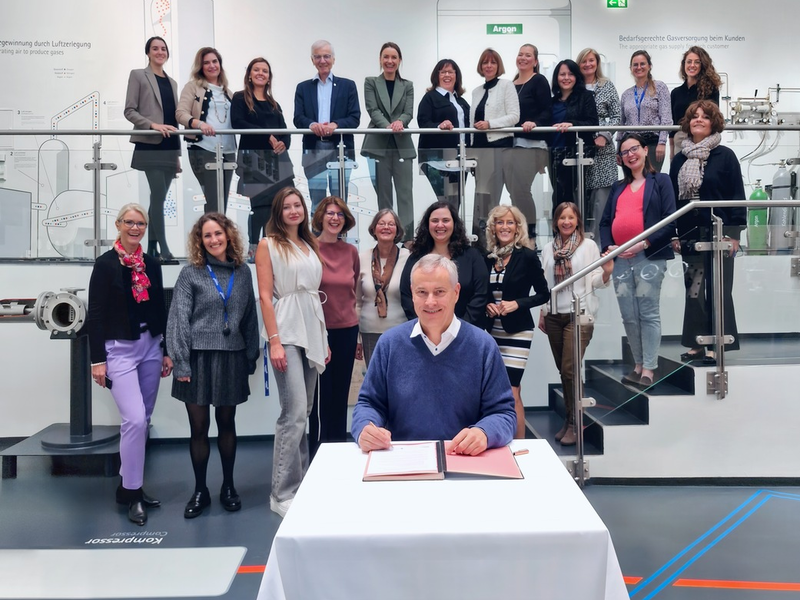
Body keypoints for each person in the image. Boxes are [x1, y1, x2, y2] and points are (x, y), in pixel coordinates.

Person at [352, 254, 516, 455]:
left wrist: (484, 432)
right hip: (404, 459)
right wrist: (365, 428)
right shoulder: (389, 344)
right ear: (412, 294)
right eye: (422, 292)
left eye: (439, 292)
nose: (430, 302)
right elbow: (368, 404)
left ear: (456, 293)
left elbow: (504, 413)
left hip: (465, 459)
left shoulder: (483, 346)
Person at [166, 213, 259, 518]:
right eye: (207, 235)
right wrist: (181, 362)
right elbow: (178, 319)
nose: (214, 240)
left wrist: (250, 355)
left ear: (228, 235)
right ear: (200, 241)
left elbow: (249, 316)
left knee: (227, 424)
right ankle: (200, 491)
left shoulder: (243, 272)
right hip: (197, 358)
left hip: (231, 356)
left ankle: (228, 487)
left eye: (218, 233)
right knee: (199, 428)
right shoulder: (190, 273)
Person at [86, 203, 173, 525]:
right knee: (134, 420)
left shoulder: (152, 264)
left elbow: (159, 307)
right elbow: (95, 314)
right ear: (119, 225)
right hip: (119, 350)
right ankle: (132, 493)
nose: (135, 228)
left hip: (151, 346)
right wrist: (98, 360)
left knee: (143, 420)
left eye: (140, 224)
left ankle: (128, 486)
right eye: (129, 222)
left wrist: (166, 350)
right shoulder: (105, 264)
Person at [255, 187, 329, 518]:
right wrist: (274, 340)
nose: (294, 210)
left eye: (298, 204)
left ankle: (299, 486)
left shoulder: (310, 244)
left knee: (305, 411)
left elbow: (313, 294)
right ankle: (281, 492)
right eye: (287, 206)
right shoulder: (268, 244)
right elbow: (265, 296)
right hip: (285, 330)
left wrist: (323, 339)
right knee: (294, 411)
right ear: (278, 212)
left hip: (311, 329)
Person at [669, 100, 745, 365]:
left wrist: (734, 234)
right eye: (694, 116)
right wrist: (675, 234)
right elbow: (673, 201)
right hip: (690, 234)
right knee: (694, 290)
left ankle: (716, 343)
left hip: (719, 234)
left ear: (714, 123)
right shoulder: (679, 159)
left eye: (705, 116)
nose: (698, 120)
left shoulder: (726, 156)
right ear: (688, 123)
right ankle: (697, 343)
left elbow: (737, 196)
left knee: (718, 290)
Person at [599, 134, 676, 388]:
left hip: (648, 256)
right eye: (624, 152)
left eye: (634, 149)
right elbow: (605, 223)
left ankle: (649, 369)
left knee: (648, 313)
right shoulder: (617, 187)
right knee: (629, 316)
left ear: (645, 150)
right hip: (620, 260)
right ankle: (638, 364)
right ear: (620, 159)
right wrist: (608, 247)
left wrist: (644, 243)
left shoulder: (661, 181)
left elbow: (669, 220)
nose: (630, 155)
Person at [540, 202, 612, 446]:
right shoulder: (548, 249)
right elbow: (546, 285)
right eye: (562, 218)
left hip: (579, 315)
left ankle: (575, 423)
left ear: (578, 221)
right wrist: (543, 311)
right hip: (554, 316)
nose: (566, 222)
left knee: (570, 369)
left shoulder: (588, 246)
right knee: (564, 371)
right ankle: (570, 419)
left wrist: (607, 272)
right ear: (555, 222)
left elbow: (596, 281)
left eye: (571, 217)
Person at [484, 205, 549, 438]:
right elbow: (483, 293)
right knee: (507, 390)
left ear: (517, 227)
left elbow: (543, 294)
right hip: (492, 332)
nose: (504, 227)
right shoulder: (487, 257)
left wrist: (517, 304)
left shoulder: (527, 256)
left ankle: (520, 445)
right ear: (493, 227)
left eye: (509, 222)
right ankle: (510, 441)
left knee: (511, 391)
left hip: (518, 332)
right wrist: (487, 306)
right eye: (500, 222)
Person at [309, 196, 360, 458]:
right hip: (318, 332)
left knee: (340, 396)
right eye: (330, 213)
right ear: (320, 217)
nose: (335, 218)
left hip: (347, 330)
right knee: (320, 399)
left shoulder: (351, 252)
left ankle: (338, 455)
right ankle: (317, 455)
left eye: (340, 214)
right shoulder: (309, 249)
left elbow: (354, 291)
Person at [232, 57, 294, 259]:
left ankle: (276, 246)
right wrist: (267, 135)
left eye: (265, 71)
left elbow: (284, 130)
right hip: (253, 159)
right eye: (256, 70)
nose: (260, 73)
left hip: (277, 161)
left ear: (269, 77)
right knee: (259, 207)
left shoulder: (273, 103)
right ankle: (254, 248)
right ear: (249, 75)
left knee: (281, 205)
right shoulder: (240, 98)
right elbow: (238, 123)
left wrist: (284, 142)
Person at [124, 36, 179, 261]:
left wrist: (178, 155)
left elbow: (173, 119)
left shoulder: (172, 82)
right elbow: (129, 111)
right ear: (148, 53)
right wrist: (152, 125)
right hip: (150, 144)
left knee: (158, 199)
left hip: (170, 146)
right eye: (155, 48)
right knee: (158, 196)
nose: (160, 52)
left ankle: (152, 248)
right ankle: (164, 249)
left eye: (163, 48)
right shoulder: (138, 75)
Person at [294, 40, 361, 212]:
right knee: (317, 202)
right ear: (312, 60)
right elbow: (298, 118)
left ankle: (339, 230)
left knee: (339, 202)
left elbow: (354, 118)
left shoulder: (348, 85)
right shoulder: (303, 88)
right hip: (313, 148)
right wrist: (311, 125)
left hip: (340, 148)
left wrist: (336, 125)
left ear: (333, 59)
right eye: (318, 57)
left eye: (326, 56)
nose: (322, 60)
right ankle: (317, 230)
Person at [400, 201, 489, 327]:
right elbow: (406, 295)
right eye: (435, 220)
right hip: (425, 331)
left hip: (466, 330)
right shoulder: (416, 257)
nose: (440, 225)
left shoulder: (472, 256)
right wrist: (425, 326)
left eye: (446, 220)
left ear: (454, 224)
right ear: (427, 224)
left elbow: (481, 294)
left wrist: (460, 327)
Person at [361, 42, 416, 241]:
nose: (390, 61)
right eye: (386, 57)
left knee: (405, 194)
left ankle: (408, 239)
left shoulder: (407, 85)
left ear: (399, 60)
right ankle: (386, 238)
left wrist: (400, 122)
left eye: (394, 57)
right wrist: (388, 126)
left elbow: (408, 112)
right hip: (379, 145)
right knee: (383, 195)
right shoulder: (371, 82)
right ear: (380, 59)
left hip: (401, 144)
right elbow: (372, 109)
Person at [176, 47, 236, 214]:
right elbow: (180, 114)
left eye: (215, 61)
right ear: (200, 67)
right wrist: (200, 124)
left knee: (222, 202)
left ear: (220, 64)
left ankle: (217, 229)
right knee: (214, 201)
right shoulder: (192, 87)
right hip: (204, 149)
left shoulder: (228, 93)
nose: (212, 66)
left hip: (228, 151)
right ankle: (211, 230)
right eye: (206, 63)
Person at [501, 43, 551, 242]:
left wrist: (535, 123)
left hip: (531, 145)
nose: (523, 58)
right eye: (520, 54)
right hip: (511, 146)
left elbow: (547, 111)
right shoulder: (510, 84)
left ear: (535, 61)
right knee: (514, 193)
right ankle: (519, 235)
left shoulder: (539, 81)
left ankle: (530, 236)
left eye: (528, 55)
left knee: (521, 190)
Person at [470, 48, 520, 245]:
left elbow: (514, 117)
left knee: (495, 198)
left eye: (492, 62)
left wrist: (490, 124)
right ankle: (481, 243)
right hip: (480, 151)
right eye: (485, 62)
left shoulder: (506, 85)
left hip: (500, 149)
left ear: (498, 66)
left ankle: (499, 242)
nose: (488, 66)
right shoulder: (476, 91)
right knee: (481, 199)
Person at [355, 209, 410, 366]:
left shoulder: (408, 257)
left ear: (397, 230)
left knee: (399, 377)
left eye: (391, 224)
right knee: (375, 378)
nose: (386, 227)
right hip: (369, 332)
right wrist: (357, 338)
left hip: (400, 331)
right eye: (381, 223)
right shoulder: (361, 258)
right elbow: (357, 302)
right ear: (374, 229)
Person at [577, 48, 621, 239]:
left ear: (597, 63)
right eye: (584, 61)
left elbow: (617, 116)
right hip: (579, 150)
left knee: (602, 202)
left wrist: (604, 135)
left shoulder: (606, 85)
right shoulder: (574, 86)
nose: (588, 64)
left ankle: (601, 245)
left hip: (603, 151)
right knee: (580, 200)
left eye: (591, 60)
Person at [417, 58, 470, 209]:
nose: (447, 75)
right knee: (442, 203)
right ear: (437, 76)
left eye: (451, 72)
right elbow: (423, 123)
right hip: (437, 161)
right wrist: (439, 126)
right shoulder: (429, 98)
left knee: (455, 204)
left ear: (456, 76)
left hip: (460, 160)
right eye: (443, 72)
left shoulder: (462, 101)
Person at [549, 59, 599, 212]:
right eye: (562, 74)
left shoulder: (586, 96)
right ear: (556, 77)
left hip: (575, 153)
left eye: (570, 74)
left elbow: (593, 123)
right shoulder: (552, 102)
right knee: (557, 195)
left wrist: (572, 124)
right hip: (553, 154)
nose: (566, 78)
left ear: (577, 76)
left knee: (569, 197)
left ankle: (574, 227)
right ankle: (559, 227)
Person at [618, 50, 671, 172]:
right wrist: (618, 149)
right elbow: (621, 124)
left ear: (649, 66)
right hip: (630, 145)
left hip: (652, 144)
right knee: (632, 181)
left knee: (651, 180)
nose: (639, 67)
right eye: (635, 65)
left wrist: (662, 142)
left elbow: (666, 117)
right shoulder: (626, 94)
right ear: (631, 68)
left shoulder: (659, 87)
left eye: (642, 64)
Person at [670, 47, 721, 159]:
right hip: (680, 141)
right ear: (684, 64)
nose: (692, 65)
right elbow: (672, 124)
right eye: (689, 62)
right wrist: (671, 150)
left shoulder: (711, 90)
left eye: (697, 62)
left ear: (703, 65)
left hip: (703, 141)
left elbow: (714, 119)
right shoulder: (675, 93)